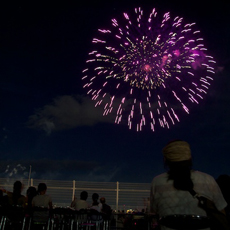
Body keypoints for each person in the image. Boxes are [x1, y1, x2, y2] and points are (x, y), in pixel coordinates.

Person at [150, 140, 227, 230]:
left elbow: (155, 210)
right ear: (190, 158)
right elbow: (221, 210)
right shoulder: (208, 180)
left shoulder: (157, 182)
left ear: (166, 159)